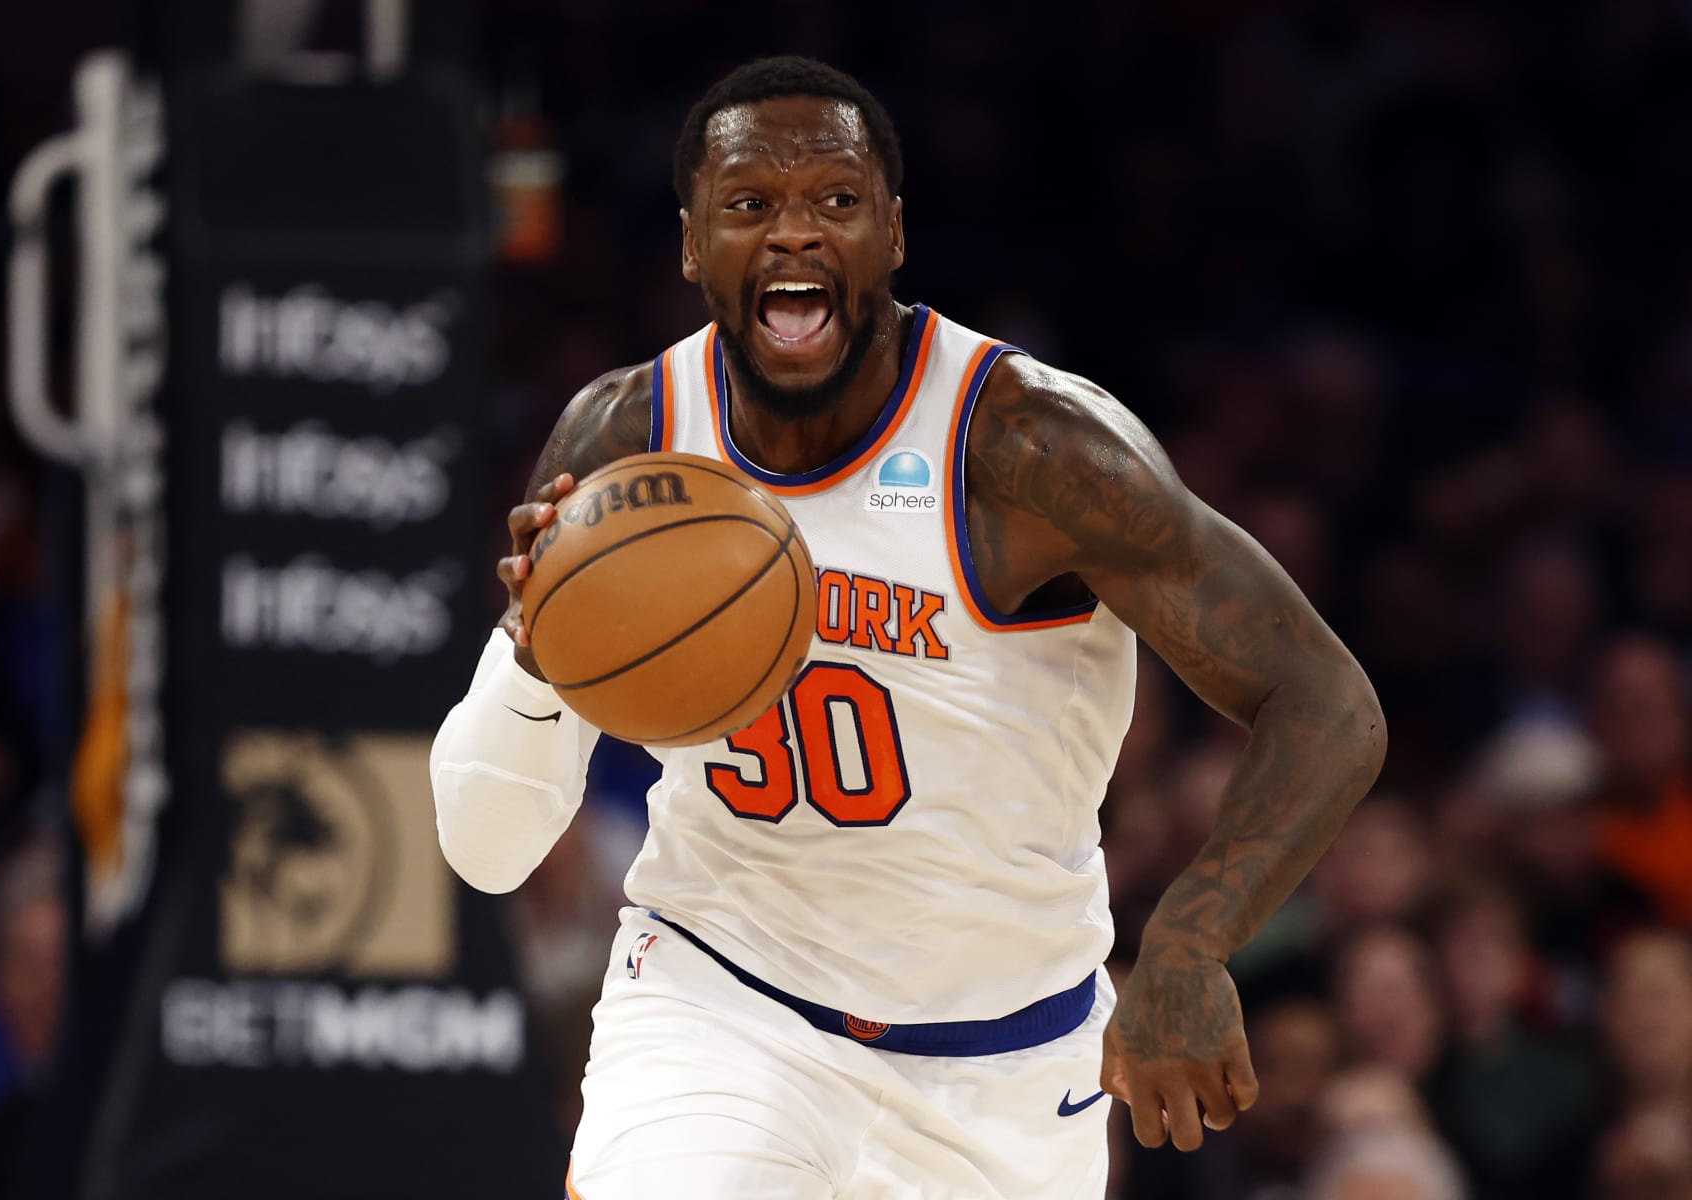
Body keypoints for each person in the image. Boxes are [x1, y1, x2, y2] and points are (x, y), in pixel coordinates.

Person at [431, 56, 1385, 1199]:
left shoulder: (1033, 451)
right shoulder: (626, 438)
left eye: (836, 201)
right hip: (718, 1002)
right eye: (749, 206)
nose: (794, 236)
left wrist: (1189, 937)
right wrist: (535, 659)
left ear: (892, 233)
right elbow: (484, 853)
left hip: (1005, 1068)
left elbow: (1326, 699)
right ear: (691, 244)